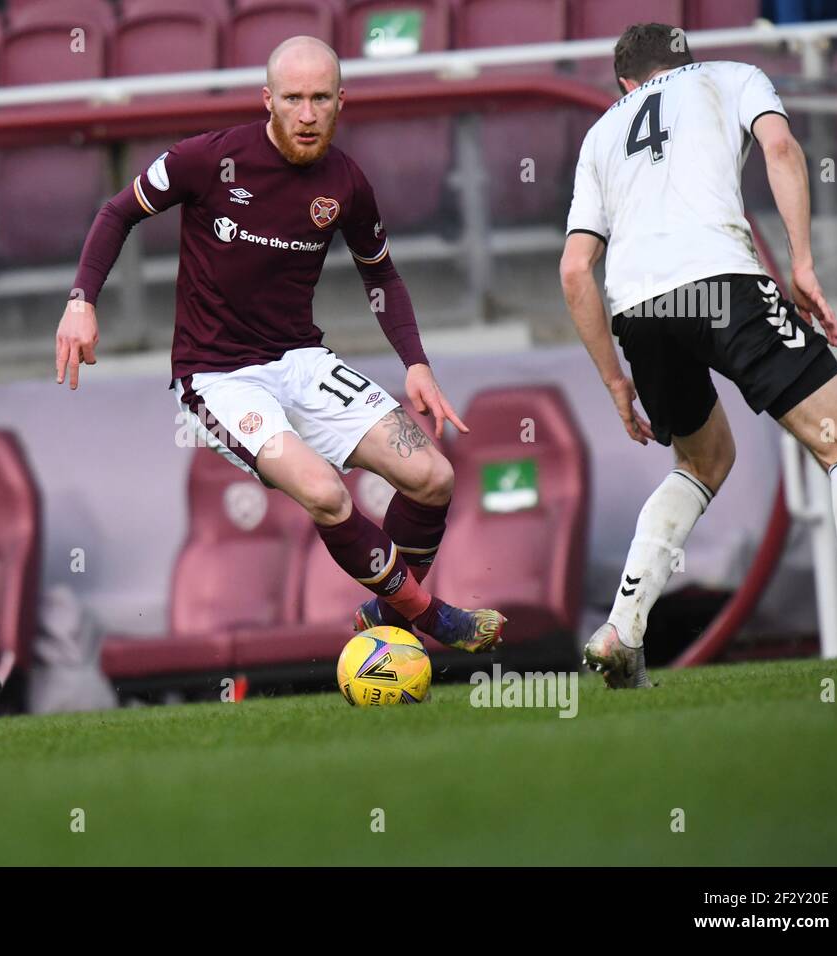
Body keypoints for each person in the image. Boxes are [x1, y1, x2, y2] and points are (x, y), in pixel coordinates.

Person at [55, 36, 506, 655]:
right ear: (267, 100)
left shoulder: (346, 181)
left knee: (433, 476)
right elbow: (116, 212)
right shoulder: (208, 159)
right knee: (323, 490)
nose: (307, 112)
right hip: (217, 375)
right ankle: (430, 618)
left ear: (341, 102)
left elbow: (381, 274)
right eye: (292, 98)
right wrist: (81, 301)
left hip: (300, 359)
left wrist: (416, 363)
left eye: (321, 97)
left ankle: (387, 620)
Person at [561, 22, 837, 685]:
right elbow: (784, 148)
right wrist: (801, 263)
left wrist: (616, 381)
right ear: (685, 59)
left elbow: (573, 270)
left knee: (703, 462)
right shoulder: (733, 75)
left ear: (625, 83)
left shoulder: (600, 134)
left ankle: (621, 629)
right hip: (721, 284)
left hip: (639, 310)